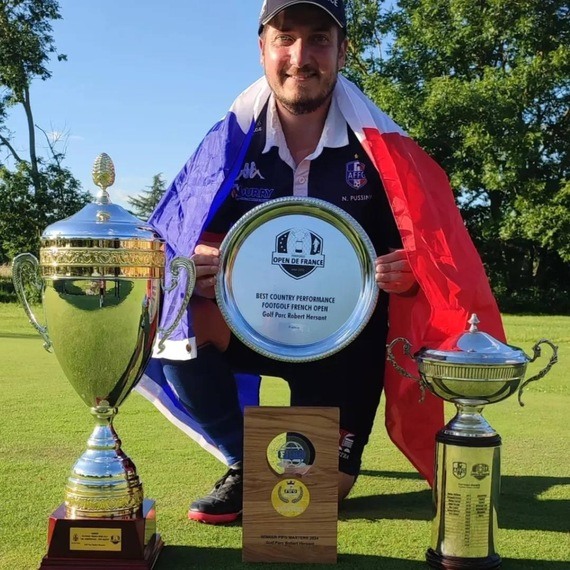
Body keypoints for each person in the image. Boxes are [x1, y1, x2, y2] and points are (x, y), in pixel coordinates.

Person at [138, 0, 504, 525]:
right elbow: (176, 234)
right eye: (285, 38)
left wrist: (409, 274)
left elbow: (428, 249)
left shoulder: (381, 151)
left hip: (344, 343)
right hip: (253, 325)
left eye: (319, 39)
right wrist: (189, 264)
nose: (300, 56)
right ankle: (247, 462)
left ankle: (325, 454)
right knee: (178, 312)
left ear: (342, 51)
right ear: (262, 48)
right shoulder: (229, 145)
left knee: (320, 497)